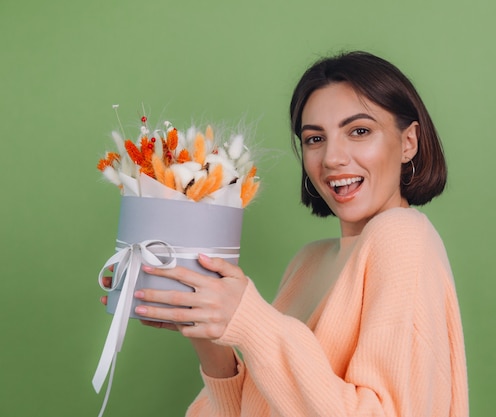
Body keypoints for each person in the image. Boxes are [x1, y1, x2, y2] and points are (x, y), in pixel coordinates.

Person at [102, 50, 469, 416]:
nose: (332, 158)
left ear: (409, 142)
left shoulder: (401, 235)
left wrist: (249, 320)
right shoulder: (309, 261)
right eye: (314, 139)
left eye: (359, 131)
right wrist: (207, 330)